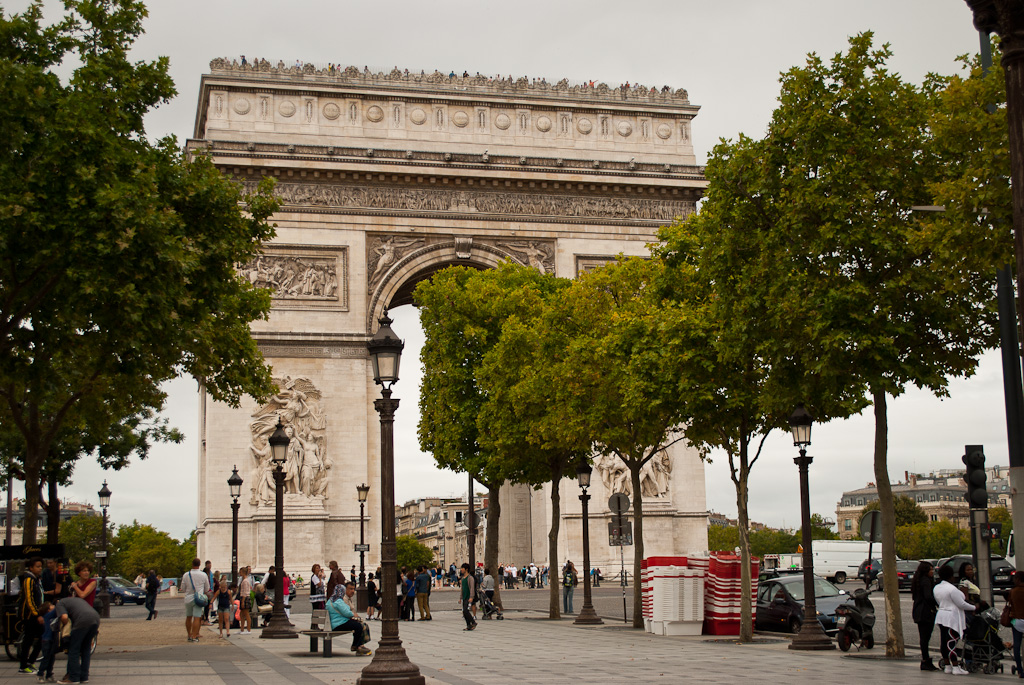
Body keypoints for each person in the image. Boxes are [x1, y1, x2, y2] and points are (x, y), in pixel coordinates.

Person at [934, 563, 975, 675]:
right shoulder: (952, 589)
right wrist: (974, 607)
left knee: (944, 641)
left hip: (941, 615)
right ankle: (956, 667)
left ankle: (947, 665)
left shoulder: (937, 588)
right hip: (951, 617)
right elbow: (961, 604)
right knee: (951, 641)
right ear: (950, 576)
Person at [54, 595, 100, 685]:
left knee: (74, 650)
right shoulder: (77, 600)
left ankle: (74, 678)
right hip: (95, 618)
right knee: (86, 649)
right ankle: (84, 677)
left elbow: (64, 617)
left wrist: (65, 627)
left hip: (82, 621)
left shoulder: (60, 603)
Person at [325, 583, 371, 655]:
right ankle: (356, 645)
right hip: (339, 624)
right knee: (358, 626)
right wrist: (351, 612)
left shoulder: (330, 601)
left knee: (357, 625)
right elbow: (347, 612)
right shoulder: (338, 601)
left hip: (334, 623)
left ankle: (359, 646)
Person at [18, 557, 45, 675]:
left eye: (40, 566)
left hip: (35, 614)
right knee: (28, 640)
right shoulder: (28, 580)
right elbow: (29, 599)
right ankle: (24, 665)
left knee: (41, 637)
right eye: (37, 566)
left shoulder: (36, 579)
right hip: (29, 615)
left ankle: (30, 662)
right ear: (31, 568)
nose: (40, 569)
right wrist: (36, 614)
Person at [911, 561, 938, 671]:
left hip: (918, 610)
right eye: (931, 570)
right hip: (926, 612)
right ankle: (926, 660)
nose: (932, 572)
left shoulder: (918, 581)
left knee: (923, 637)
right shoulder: (926, 581)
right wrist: (937, 603)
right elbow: (928, 597)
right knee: (926, 637)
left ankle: (925, 659)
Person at [181, 557, 211, 643]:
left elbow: (183, 588)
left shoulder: (186, 575)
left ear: (192, 564)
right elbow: (207, 588)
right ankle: (194, 636)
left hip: (188, 597)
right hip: (199, 598)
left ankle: (189, 635)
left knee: (188, 617)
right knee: (197, 618)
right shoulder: (203, 575)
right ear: (199, 564)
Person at [37, 601, 57, 684]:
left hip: (51, 639)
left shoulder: (50, 615)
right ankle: (40, 674)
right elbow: (56, 609)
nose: (53, 606)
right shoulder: (47, 616)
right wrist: (59, 603)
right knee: (46, 658)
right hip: (46, 639)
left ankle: (49, 674)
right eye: (51, 605)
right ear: (48, 610)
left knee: (51, 658)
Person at [1010, 571, 1024, 677]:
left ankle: (1020, 670)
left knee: (1017, 646)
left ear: (1018, 579)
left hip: (1017, 622)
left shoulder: (1013, 591)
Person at [459, 563, 477, 631]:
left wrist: (471, 597)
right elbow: (462, 589)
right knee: (464, 612)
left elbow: (472, 588)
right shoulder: (463, 578)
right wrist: (460, 598)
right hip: (464, 596)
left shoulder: (470, 578)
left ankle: (473, 622)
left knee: (466, 611)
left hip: (468, 597)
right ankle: (468, 625)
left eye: (462, 568)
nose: (461, 570)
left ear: (466, 569)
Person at [238, 566, 253, 634]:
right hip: (244, 597)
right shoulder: (244, 580)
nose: (239, 573)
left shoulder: (245, 581)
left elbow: (245, 591)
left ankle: (248, 629)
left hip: (245, 597)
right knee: (242, 614)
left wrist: (243, 601)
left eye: (240, 572)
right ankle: (242, 629)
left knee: (246, 614)